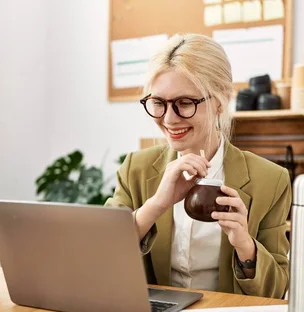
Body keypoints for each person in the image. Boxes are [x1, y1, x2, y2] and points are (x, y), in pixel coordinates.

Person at [105, 33, 291, 298]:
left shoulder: (270, 180)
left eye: (184, 103)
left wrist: (245, 245)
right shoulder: (137, 168)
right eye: (158, 103)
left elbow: (276, 290)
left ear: (221, 101)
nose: (169, 119)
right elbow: (100, 254)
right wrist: (156, 205)